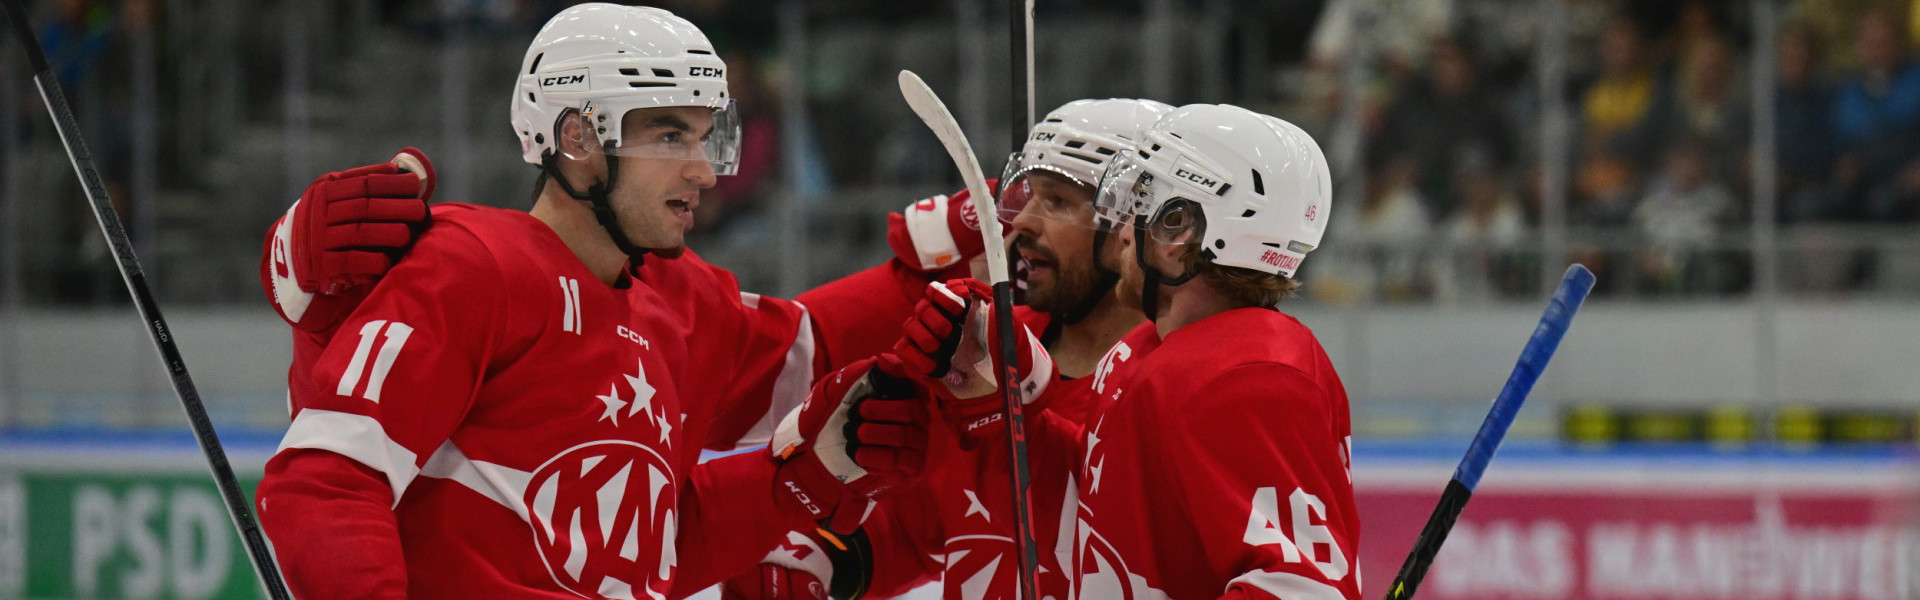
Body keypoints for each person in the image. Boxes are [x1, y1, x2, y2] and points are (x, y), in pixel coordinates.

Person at [253, 5, 933, 599]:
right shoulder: (469, 267)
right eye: (671, 137)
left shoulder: (684, 300)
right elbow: (326, 482)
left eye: (706, 138)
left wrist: (967, 256)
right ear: (578, 139)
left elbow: (649, 551)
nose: (702, 170)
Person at [899, 104, 1360, 599]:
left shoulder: (1250, 377)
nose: (1120, 229)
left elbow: (1300, 590)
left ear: (1178, 231)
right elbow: (1106, 511)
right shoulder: (1151, 349)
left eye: (1139, 203)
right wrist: (1012, 406)